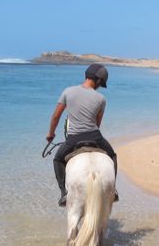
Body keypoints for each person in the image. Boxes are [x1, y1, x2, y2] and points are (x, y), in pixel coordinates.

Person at [46, 63, 118, 207]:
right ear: (98, 80)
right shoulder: (101, 99)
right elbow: (97, 124)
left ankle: (64, 193)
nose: (99, 86)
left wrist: (51, 134)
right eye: (100, 83)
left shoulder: (68, 92)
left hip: (73, 138)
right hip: (95, 137)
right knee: (112, 156)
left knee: (58, 160)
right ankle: (113, 190)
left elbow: (55, 116)